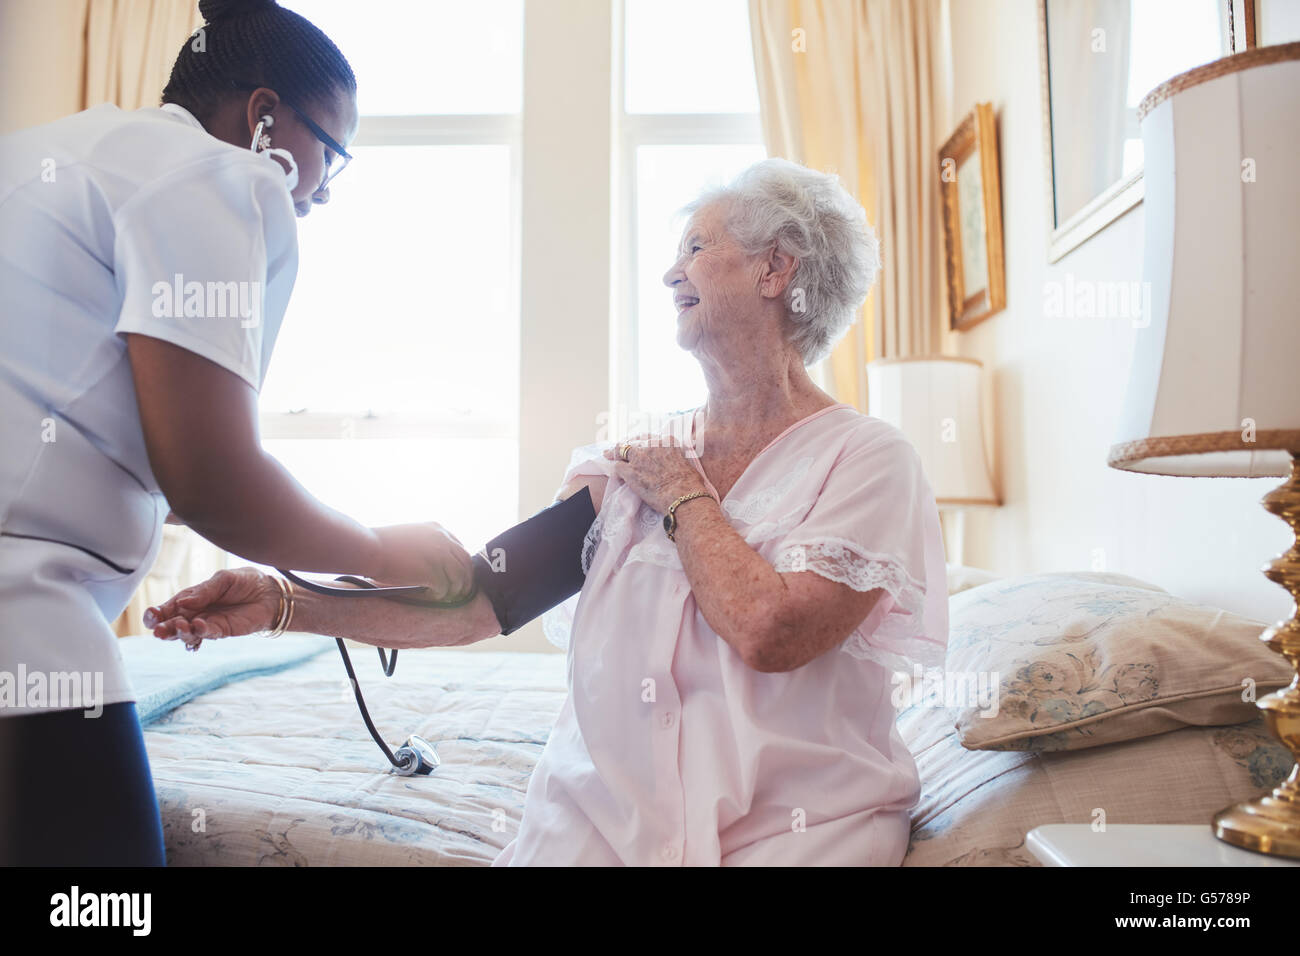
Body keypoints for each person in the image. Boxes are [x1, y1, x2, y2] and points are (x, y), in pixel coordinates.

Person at [147, 158, 948, 866]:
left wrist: (684, 495)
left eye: (696, 250)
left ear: (776, 269)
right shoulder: (630, 463)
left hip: (798, 832)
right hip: (603, 827)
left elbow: (772, 632)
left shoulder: (867, 460)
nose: (672, 274)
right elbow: (478, 602)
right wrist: (284, 604)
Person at [0, 0, 472, 866]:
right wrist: (382, 549)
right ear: (264, 117)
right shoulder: (216, 177)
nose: (324, 188)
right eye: (332, 153)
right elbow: (211, 479)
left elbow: (93, 432)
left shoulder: (49, 153)